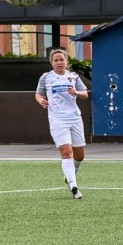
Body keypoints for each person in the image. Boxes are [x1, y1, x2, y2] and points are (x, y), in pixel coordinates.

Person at [35, 47, 89, 199]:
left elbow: (85, 94)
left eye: (61, 59)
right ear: (51, 63)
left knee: (79, 156)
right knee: (66, 152)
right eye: (56, 60)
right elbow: (38, 94)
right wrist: (41, 101)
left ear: (66, 61)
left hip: (75, 118)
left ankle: (69, 175)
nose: (59, 62)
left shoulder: (73, 77)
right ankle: (74, 187)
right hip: (57, 119)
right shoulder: (46, 77)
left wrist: (76, 92)